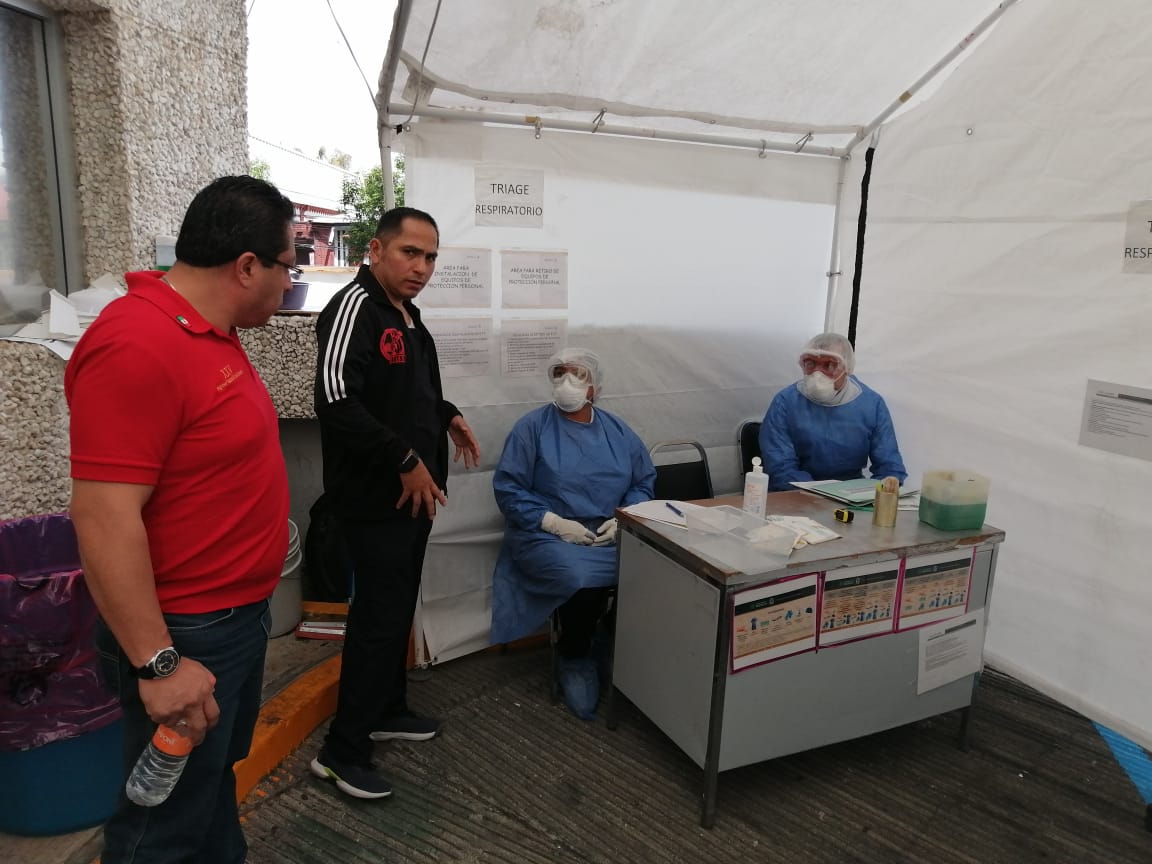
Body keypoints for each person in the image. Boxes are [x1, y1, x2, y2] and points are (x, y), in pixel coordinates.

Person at [65, 175, 295, 864]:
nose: (289, 283)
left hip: (232, 618)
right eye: (287, 266)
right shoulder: (137, 342)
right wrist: (160, 663)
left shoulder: (209, 331)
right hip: (188, 633)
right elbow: (103, 517)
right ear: (246, 266)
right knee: (159, 827)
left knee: (207, 790)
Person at [311, 207, 481, 799]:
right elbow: (335, 398)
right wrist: (405, 459)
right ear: (376, 250)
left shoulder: (408, 315)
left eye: (430, 257)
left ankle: (386, 709)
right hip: (375, 498)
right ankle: (342, 752)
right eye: (410, 252)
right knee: (377, 620)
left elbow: (410, 392)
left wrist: (446, 414)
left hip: (413, 500)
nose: (422, 267)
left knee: (396, 611)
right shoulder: (354, 307)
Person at [490, 348, 656, 719]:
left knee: (655, 569)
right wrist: (553, 522)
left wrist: (625, 517)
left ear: (594, 387)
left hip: (608, 531)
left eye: (578, 374)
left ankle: (608, 637)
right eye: (560, 372)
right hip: (545, 534)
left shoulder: (617, 431)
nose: (567, 381)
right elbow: (508, 489)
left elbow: (643, 480)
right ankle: (574, 653)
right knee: (580, 577)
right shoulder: (531, 429)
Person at [759, 332, 907, 491]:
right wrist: (817, 493)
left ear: (847, 368)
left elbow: (889, 467)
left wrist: (883, 489)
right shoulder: (785, 402)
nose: (817, 374)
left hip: (850, 495)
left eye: (829, 365)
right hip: (796, 493)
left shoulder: (871, 405)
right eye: (810, 363)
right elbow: (781, 468)